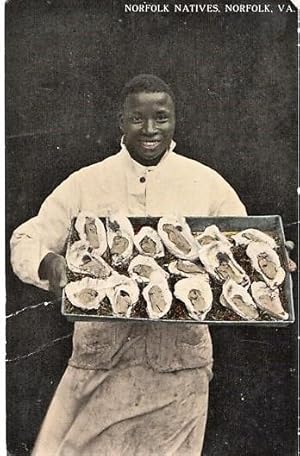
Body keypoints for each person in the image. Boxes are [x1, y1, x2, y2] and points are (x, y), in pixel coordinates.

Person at [10, 74, 292, 456]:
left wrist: (271, 256)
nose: (149, 129)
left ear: (175, 120)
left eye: (161, 118)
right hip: (100, 366)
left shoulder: (205, 182)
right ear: (120, 121)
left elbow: (243, 243)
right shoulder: (86, 182)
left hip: (179, 372)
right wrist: (47, 264)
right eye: (137, 118)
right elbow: (26, 239)